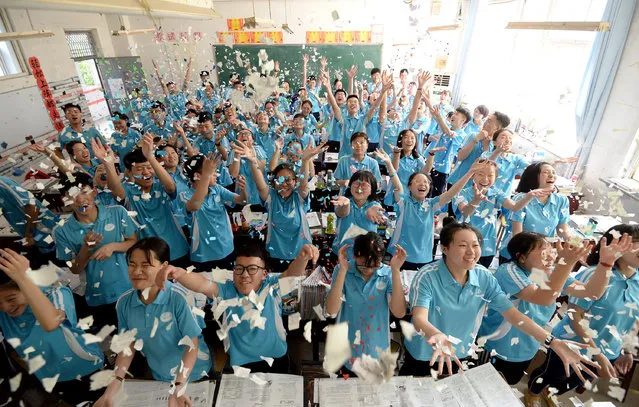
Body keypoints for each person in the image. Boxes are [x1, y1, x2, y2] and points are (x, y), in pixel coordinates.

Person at [399, 222, 599, 379]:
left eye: (476, 245)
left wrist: (552, 342)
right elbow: (419, 318)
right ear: (444, 248)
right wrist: (438, 336)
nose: (471, 252)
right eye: (462, 245)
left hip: (460, 351)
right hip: (426, 350)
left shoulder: (483, 276)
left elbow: (512, 314)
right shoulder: (427, 276)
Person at [480, 232, 630, 388]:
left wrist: (606, 264)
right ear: (522, 257)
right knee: (483, 385)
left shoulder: (546, 273)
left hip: (528, 345)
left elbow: (591, 293)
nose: (552, 256)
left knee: (507, 384)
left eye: (551, 250)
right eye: (543, 252)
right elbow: (543, 298)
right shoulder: (509, 271)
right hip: (498, 345)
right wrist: (566, 264)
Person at [157, 240, 319, 373]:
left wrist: (302, 257)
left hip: (275, 358)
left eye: (252, 269)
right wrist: (178, 273)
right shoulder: (227, 291)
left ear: (264, 274)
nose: (244, 275)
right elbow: (202, 285)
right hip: (241, 363)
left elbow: (291, 275)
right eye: (239, 268)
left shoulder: (271, 288)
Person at [527, 224, 639, 406]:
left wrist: (627, 350)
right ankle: (533, 391)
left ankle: (550, 391)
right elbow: (574, 314)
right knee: (552, 373)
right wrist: (597, 354)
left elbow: (635, 318)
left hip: (607, 349)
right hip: (573, 343)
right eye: (637, 243)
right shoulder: (597, 275)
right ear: (616, 245)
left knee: (575, 380)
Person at [94, 238, 211, 407]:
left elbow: (191, 345)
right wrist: (113, 385)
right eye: (132, 264)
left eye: (145, 265)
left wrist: (179, 386)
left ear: (164, 266)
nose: (137, 271)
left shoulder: (180, 298)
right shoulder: (124, 303)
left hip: (194, 376)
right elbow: (128, 345)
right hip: (159, 376)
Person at [0, 249, 104, 405]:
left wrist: (23, 277)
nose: (6, 307)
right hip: (52, 377)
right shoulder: (3, 314)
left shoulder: (55, 293)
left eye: (11, 298)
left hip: (86, 367)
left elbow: (50, 322)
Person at [52, 172, 138, 329]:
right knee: (117, 337)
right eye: (72, 195)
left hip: (130, 285)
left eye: (84, 192)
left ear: (94, 191)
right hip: (99, 295)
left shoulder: (117, 212)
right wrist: (86, 248)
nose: (80, 199)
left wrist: (112, 246)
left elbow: (134, 242)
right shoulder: (62, 231)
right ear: (65, 199)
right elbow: (75, 268)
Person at [92, 136, 190, 265]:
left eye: (149, 167)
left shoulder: (159, 185)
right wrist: (108, 163)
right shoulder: (128, 190)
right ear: (130, 172)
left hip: (177, 248)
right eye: (139, 169)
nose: (146, 172)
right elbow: (116, 191)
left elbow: (171, 187)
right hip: (150, 257)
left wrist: (150, 156)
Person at [325, 233, 407, 376]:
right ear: (354, 256)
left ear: (381, 259)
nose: (368, 270)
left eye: (374, 266)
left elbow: (399, 312)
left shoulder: (387, 274)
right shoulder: (343, 270)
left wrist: (395, 271)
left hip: (377, 350)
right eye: (363, 266)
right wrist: (343, 270)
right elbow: (331, 310)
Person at [452, 160, 554, 267]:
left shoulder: (497, 194)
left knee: (479, 279)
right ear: (473, 176)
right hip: (463, 245)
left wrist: (529, 196)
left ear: (496, 178)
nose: (485, 179)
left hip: (487, 247)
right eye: (480, 174)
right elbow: (465, 212)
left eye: (490, 175)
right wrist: (476, 200)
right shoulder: (461, 193)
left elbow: (515, 207)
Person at [388, 160, 483, 270]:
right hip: (400, 256)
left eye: (426, 182)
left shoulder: (432, 204)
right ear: (409, 187)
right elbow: (397, 184)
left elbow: (451, 192)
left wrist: (470, 172)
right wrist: (389, 163)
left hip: (424, 259)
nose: (422, 184)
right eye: (418, 181)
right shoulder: (403, 203)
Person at [249, 142, 325, 272]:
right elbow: (260, 184)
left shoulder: (299, 196)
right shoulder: (271, 197)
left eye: (288, 180)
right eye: (279, 180)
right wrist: (252, 161)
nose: (284, 184)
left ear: (295, 181)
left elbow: (303, 184)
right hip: (275, 254)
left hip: (302, 252)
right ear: (273, 183)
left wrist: (306, 160)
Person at [182, 154, 248, 271]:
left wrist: (243, 191)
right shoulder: (184, 195)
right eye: (211, 172)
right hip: (204, 255)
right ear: (197, 176)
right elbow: (195, 205)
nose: (216, 175)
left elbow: (242, 201)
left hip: (226, 248)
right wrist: (207, 175)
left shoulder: (217, 189)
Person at [499, 162, 572, 263]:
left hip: (542, 255)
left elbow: (562, 230)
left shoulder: (561, 200)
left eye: (553, 172)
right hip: (517, 253)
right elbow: (517, 235)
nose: (551, 175)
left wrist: (576, 242)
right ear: (534, 177)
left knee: (539, 278)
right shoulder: (522, 199)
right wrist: (530, 256)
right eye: (546, 172)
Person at [331, 169, 401, 255]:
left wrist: (372, 212)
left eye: (364, 185)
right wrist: (346, 205)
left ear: (372, 189)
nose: (359, 188)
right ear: (350, 186)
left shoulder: (375, 205)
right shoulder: (343, 201)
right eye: (356, 183)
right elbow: (341, 213)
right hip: (342, 253)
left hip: (366, 254)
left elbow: (380, 215)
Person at [321, 70, 389, 158]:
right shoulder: (343, 119)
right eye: (350, 102)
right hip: (344, 158)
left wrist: (383, 92)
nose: (352, 103)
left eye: (355, 102)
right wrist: (327, 88)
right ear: (346, 106)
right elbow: (334, 105)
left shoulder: (363, 119)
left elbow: (375, 106)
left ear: (358, 106)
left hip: (361, 158)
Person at [0, 175, 59, 269]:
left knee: (59, 267)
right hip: (36, 238)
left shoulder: (2, 184)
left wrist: (29, 234)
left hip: (45, 234)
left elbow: (32, 207)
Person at [447, 112, 510, 191]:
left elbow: (488, 168)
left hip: (475, 189)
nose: (485, 122)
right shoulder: (473, 135)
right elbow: (460, 157)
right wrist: (475, 140)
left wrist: (486, 148)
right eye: (486, 120)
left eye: (489, 121)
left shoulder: (496, 147)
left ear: (497, 128)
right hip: (457, 181)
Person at [423, 97, 471, 197]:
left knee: (435, 197)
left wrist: (439, 116)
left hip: (442, 171)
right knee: (423, 193)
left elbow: (448, 133)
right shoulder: (447, 126)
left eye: (457, 114)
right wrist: (428, 101)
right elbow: (436, 117)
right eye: (453, 113)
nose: (453, 115)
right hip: (430, 164)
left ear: (463, 120)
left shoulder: (462, 135)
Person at [229, 130, 267, 205]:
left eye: (247, 133)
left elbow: (261, 169)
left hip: (258, 194)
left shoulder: (257, 149)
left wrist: (252, 156)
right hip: (241, 195)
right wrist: (238, 153)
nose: (243, 135)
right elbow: (233, 174)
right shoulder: (233, 152)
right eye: (240, 134)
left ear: (252, 140)